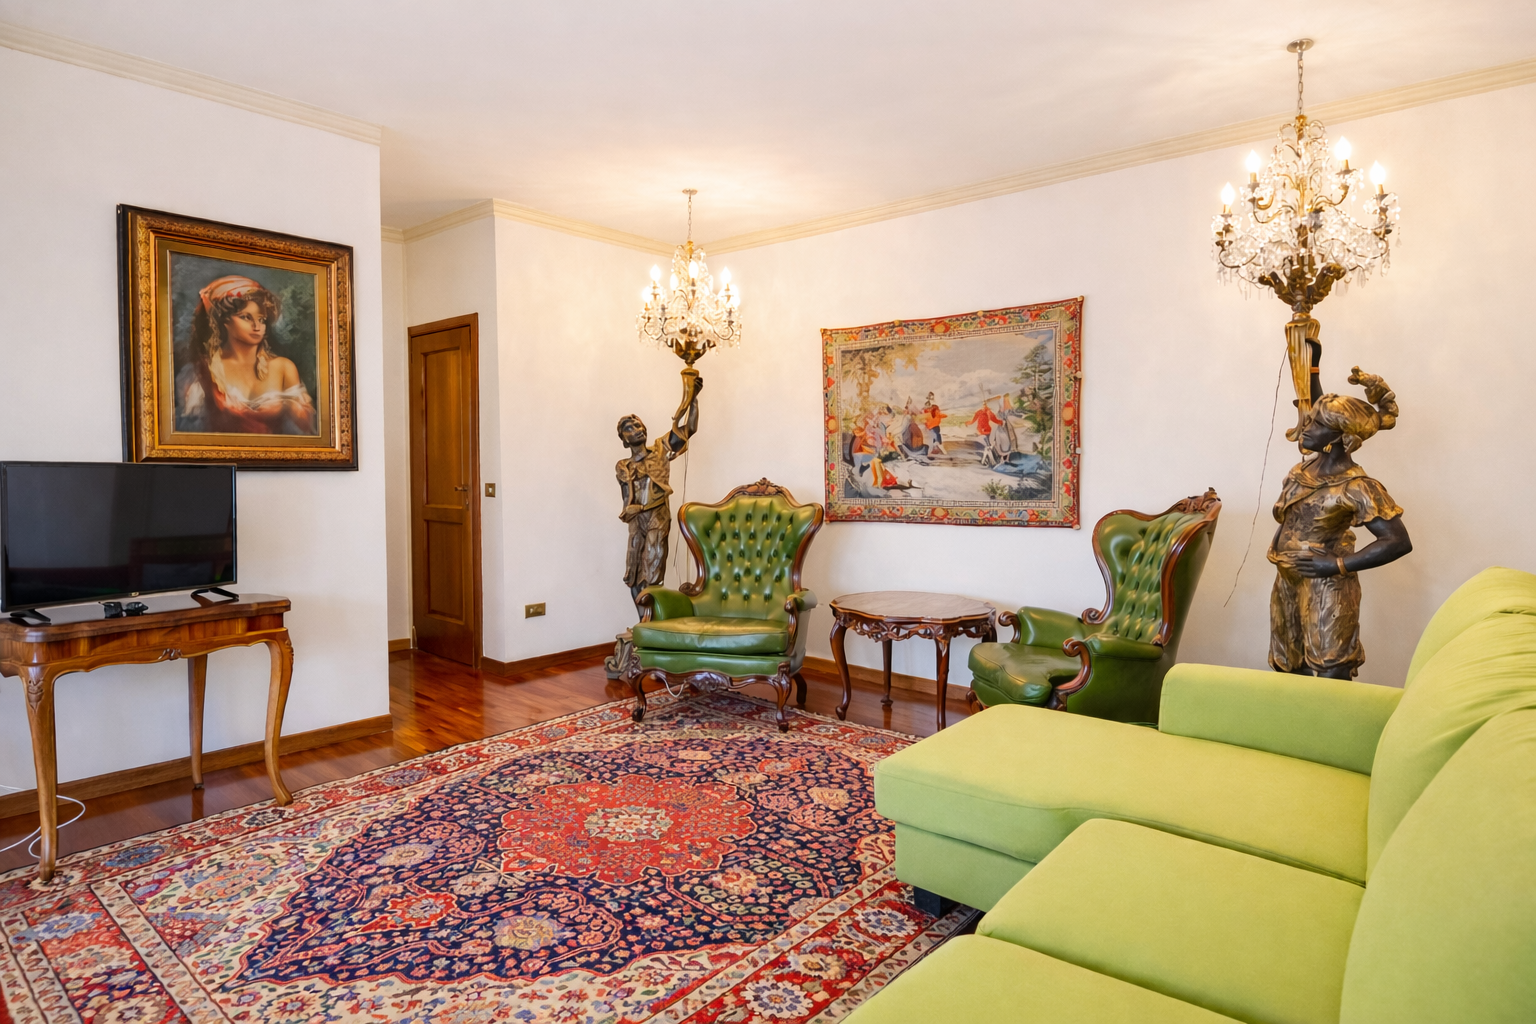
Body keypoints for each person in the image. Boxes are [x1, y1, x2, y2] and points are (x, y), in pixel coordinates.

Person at [1267, 367, 1411, 679]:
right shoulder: (1305, 470)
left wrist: (1338, 565)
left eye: (1317, 424)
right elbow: (1317, 404)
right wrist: (1312, 363)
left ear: (1341, 437)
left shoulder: (1357, 487)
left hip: (1327, 587)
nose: (1306, 426)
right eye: (1310, 419)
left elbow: (1397, 541)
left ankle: (1332, 712)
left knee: (1331, 667)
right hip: (1288, 580)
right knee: (1288, 666)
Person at [175, 275, 316, 435]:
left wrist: (293, 409)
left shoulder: (283, 367)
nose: (257, 326)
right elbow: (192, 434)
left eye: (261, 319)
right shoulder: (203, 372)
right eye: (246, 317)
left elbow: (305, 431)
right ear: (224, 321)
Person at [616, 370, 702, 604]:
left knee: (653, 569)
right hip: (636, 521)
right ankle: (643, 621)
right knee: (634, 573)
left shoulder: (661, 449)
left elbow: (688, 428)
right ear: (624, 440)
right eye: (629, 428)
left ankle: (651, 619)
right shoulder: (623, 466)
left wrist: (693, 399)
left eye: (638, 425)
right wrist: (629, 512)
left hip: (657, 515)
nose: (636, 429)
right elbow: (627, 499)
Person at [968, 399, 1004, 466]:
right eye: (984, 405)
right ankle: (993, 461)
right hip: (986, 431)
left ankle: (985, 460)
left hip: (980, 431)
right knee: (989, 447)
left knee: (988, 447)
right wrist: (1001, 422)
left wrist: (968, 423)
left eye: (984, 405)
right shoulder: (988, 411)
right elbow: (993, 419)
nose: (984, 406)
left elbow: (973, 420)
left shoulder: (979, 411)